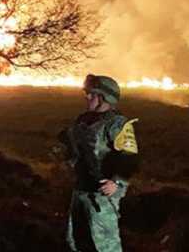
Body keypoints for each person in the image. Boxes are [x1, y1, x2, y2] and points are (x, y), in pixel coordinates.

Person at [62, 74, 140, 252]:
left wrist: (117, 182)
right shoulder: (83, 120)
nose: (87, 97)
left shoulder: (117, 125)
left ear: (104, 97)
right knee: (76, 241)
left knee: (104, 245)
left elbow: (130, 158)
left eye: (91, 93)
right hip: (81, 191)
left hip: (101, 197)